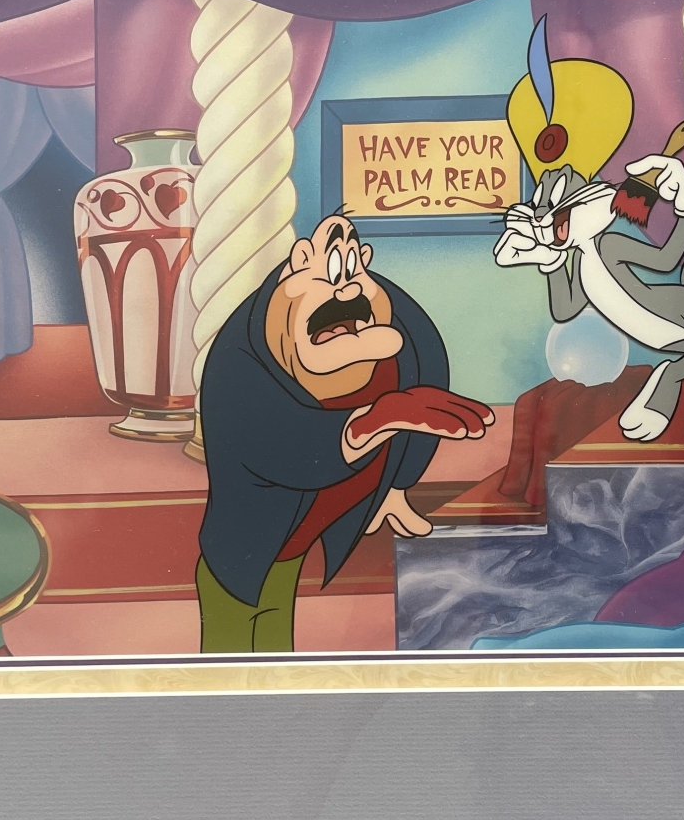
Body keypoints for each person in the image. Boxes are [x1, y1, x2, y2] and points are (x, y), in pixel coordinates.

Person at [195, 213, 493, 652]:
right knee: (234, 656)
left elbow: (427, 370)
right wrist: (373, 422)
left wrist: (396, 485)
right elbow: (278, 448)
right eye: (330, 271)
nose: (347, 290)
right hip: (243, 555)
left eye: (355, 268)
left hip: (295, 546)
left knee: (276, 644)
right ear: (298, 262)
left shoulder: (398, 329)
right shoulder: (243, 360)